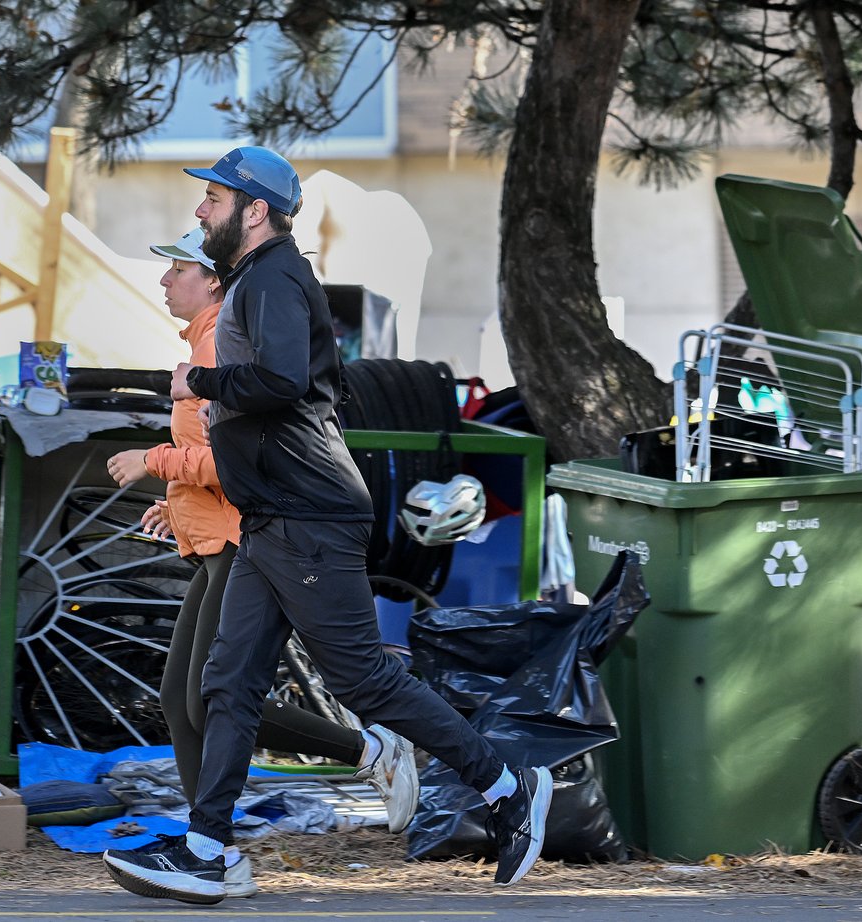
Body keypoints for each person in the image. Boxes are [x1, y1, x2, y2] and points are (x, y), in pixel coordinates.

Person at [103, 147, 552, 905]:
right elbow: (307, 386)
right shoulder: (260, 279)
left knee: (362, 678)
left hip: (309, 514)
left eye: (212, 198)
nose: (200, 211)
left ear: (254, 209)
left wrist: (201, 381)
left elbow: (281, 383)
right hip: (273, 513)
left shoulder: (275, 276)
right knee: (228, 682)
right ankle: (207, 849)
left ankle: (509, 787)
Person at [103, 227, 419, 899]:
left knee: (215, 696)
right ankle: (207, 847)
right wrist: (177, 500)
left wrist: (154, 463)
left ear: (212, 280)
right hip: (218, 539)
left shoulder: (221, 345)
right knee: (180, 699)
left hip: (252, 541)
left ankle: (368, 751)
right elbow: (212, 462)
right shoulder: (201, 344)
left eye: (177, 269)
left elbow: (236, 458)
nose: (163, 281)